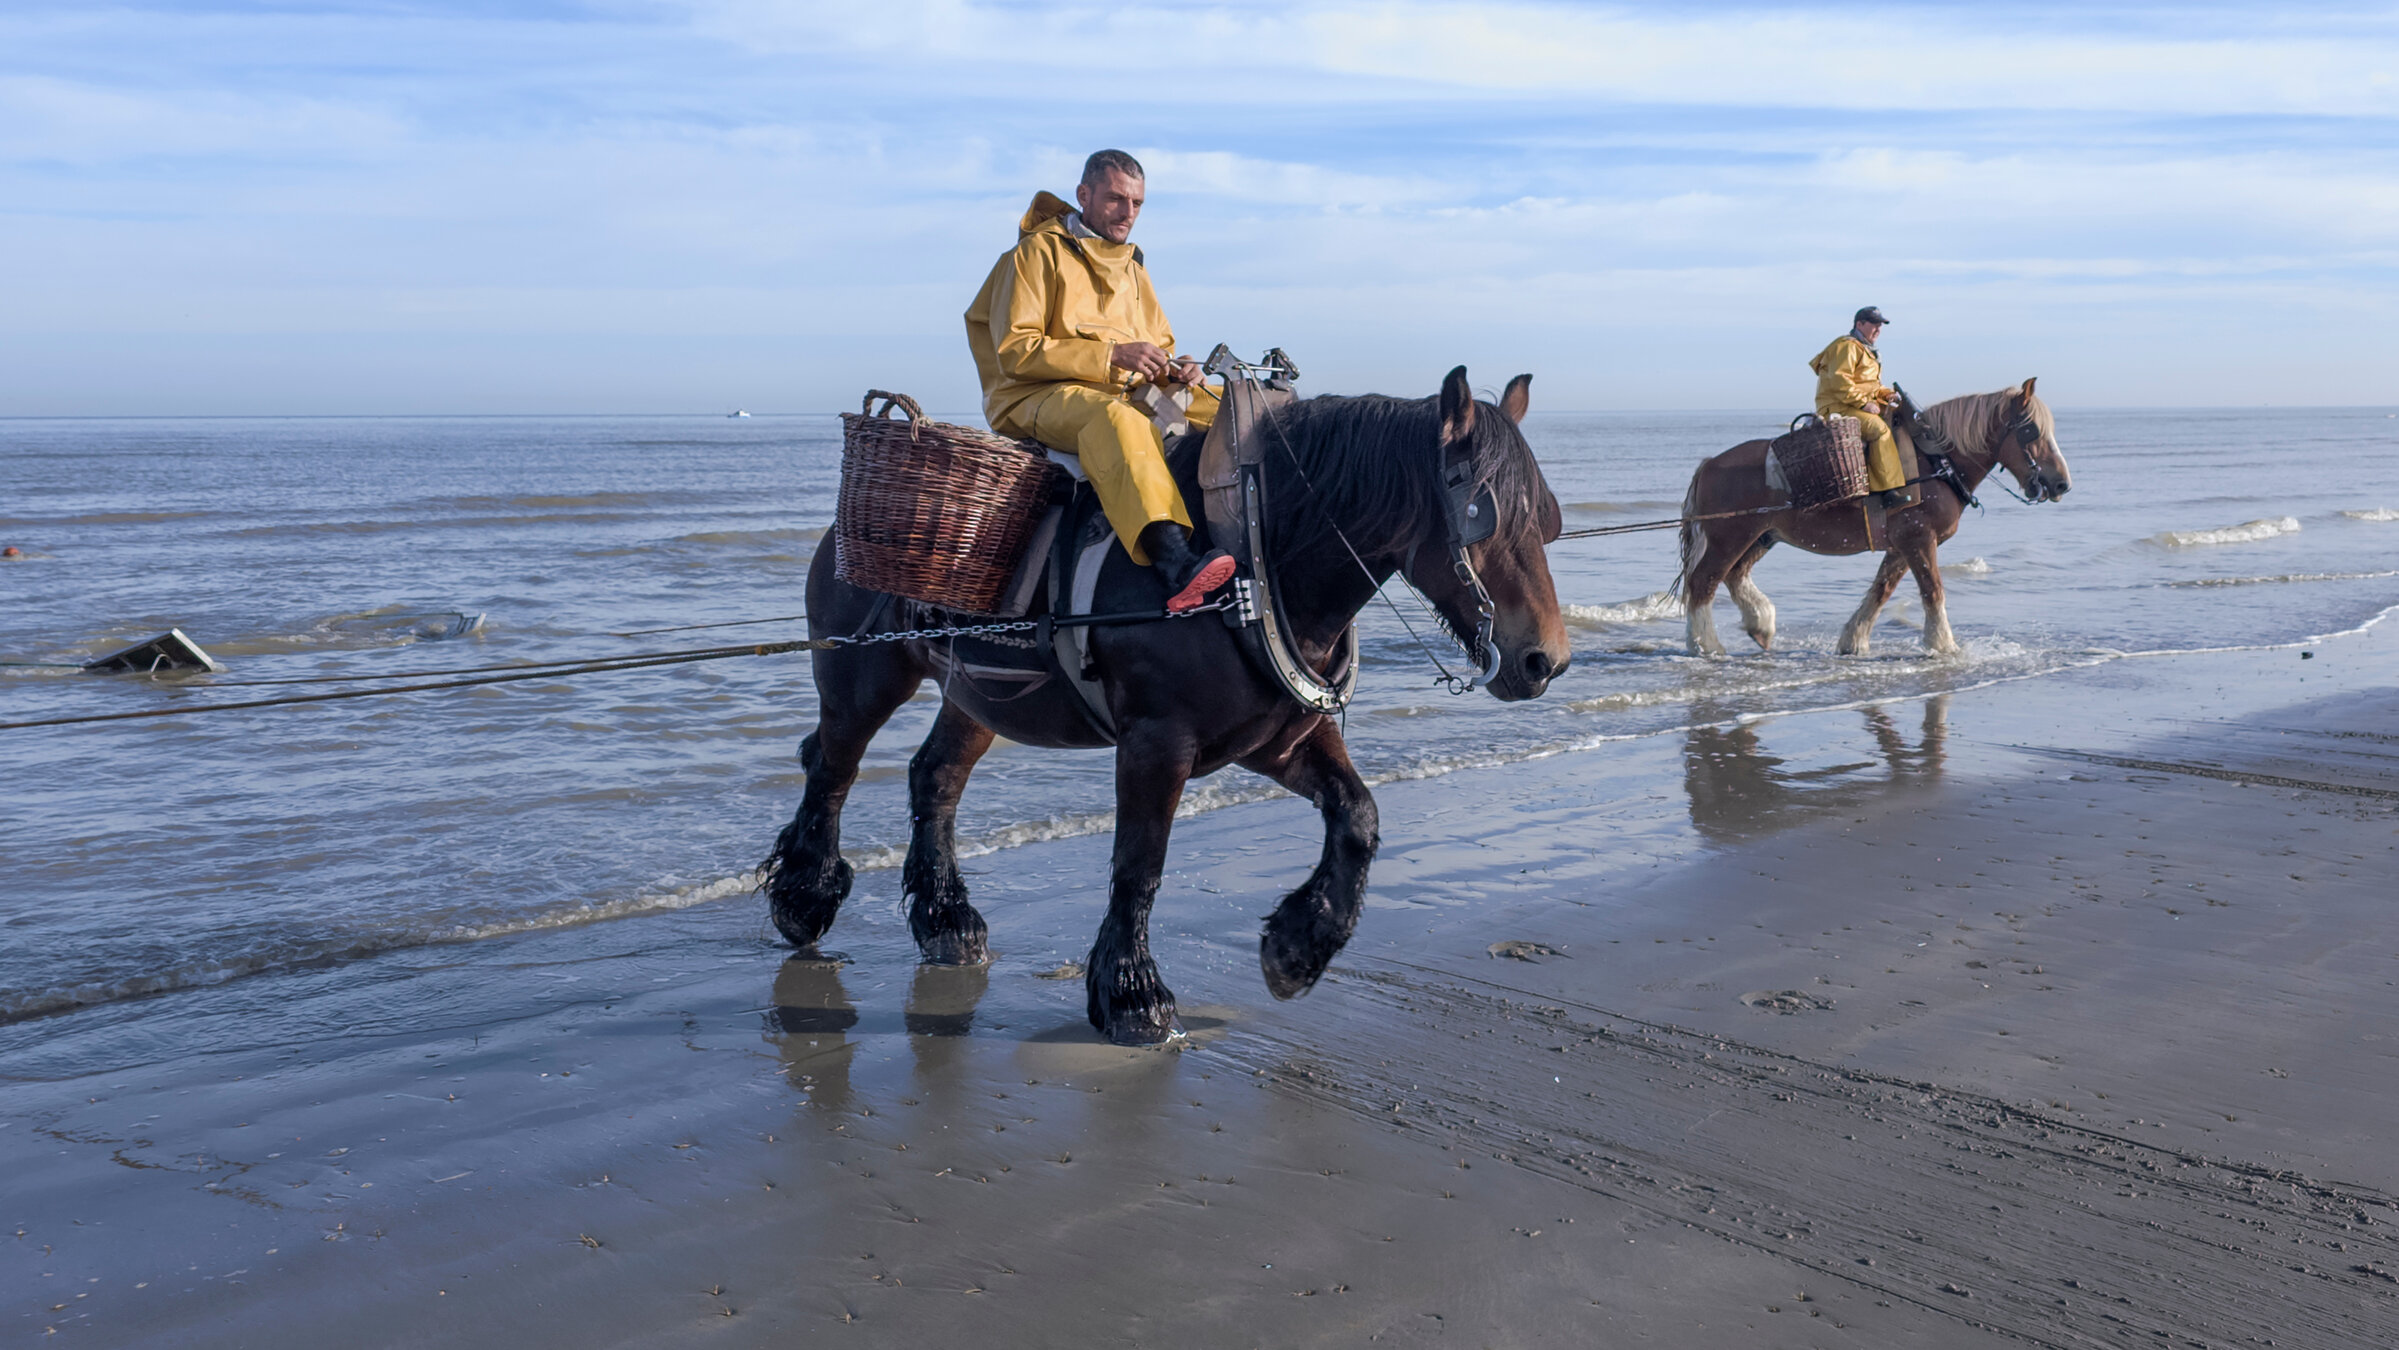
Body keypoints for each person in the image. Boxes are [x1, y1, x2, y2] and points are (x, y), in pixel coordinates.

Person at [964, 149, 1235, 612]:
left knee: (1229, 403)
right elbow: (1015, 352)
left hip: (1121, 389)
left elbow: (1157, 347)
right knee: (1117, 420)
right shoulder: (1034, 253)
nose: (1127, 213)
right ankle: (1174, 560)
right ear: (1083, 195)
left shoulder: (1133, 267)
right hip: (1035, 396)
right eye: (1115, 199)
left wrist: (1179, 370)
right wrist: (1112, 355)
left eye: (1137, 204)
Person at [1809, 306, 1907, 506]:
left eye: (1880, 325)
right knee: (1879, 430)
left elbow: (1871, 385)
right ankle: (1887, 491)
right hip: (1837, 407)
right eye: (1874, 324)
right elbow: (1840, 381)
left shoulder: (1866, 350)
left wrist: (1887, 394)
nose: (1878, 329)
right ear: (1859, 324)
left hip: (1850, 405)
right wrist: (1863, 404)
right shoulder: (1847, 347)